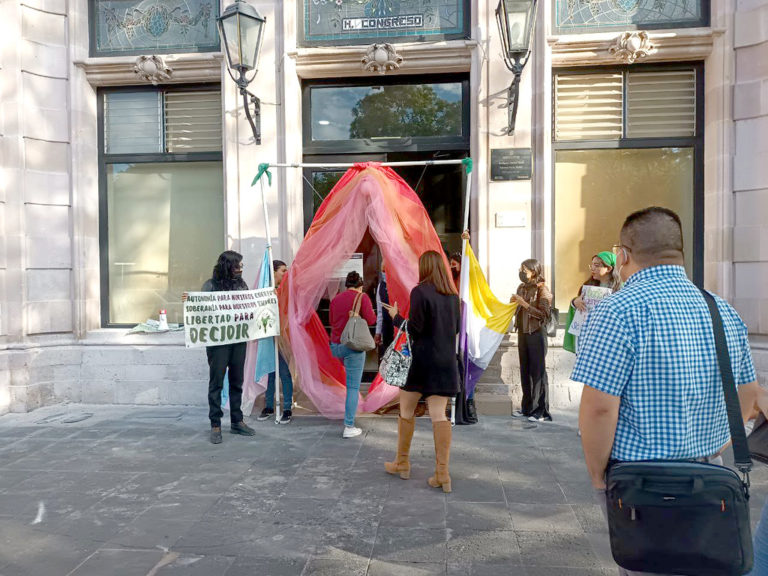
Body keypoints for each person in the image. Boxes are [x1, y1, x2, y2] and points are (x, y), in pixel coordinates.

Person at [574, 207, 760, 576]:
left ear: (623, 255)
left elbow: (598, 409)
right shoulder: (721, 310)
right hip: (709, 475)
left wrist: (597, 476)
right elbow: (748, 394)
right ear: (679, 253)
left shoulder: (616, 310)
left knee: (647, 566)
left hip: (640, 481)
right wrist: (717, 445)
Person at [382, 250, 461, 493]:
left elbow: (414, 329)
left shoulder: (419, 292)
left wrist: (396, 317)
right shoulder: (452, 296)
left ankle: (402, 463)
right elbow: (456, 330)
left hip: (420, 362)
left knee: (406, 411)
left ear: (424, 267)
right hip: (445, 362)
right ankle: (442, 473)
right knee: (439, 415)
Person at [192, 250, 256, 444]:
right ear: (228, 266)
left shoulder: (242, 285)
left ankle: (237, 421)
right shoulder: (210, 286)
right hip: (218, 343)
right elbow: (201, 312)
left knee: (237, 381)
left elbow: (249, 308)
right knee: (217, 383)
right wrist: (192, 303)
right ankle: (215, 424)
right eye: (237, 265)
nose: (240, 269)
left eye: (241, 266)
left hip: (238, 341)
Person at [329, 270, 376, 438]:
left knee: (347, 383)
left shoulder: (336, 299)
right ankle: (349, 426)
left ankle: (346, 417)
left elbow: (331, 321)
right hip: (353, 346)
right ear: (360, 286)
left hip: (336, 346)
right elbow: (371, 320)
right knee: (353, 387)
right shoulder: (362, 298)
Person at [511, 259, 553, 422]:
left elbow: (544, 314)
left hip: (536, 332)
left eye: (524, 270)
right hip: (523, 332)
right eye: (520, 269)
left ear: (534, 271)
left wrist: (525, 304)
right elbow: (518, 308)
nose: (521, 272)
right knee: (525, 370)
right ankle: (527, 407)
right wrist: (513, 304)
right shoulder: (521, 287)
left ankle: (540, 410)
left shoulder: (542, 289)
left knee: (538, 372)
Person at [258, 260, 294, 424]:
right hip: (268, 336)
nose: (285, 274)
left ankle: (287, 407)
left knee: (284, 372)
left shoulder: (286, 290)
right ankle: (269, 406)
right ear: (273, 272)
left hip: (282, 336)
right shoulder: (265, 290)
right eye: (282, 271)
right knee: (271, 372)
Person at [374, 261, 395, 356]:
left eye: (386, 271)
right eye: (383, 271)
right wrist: (378, 332)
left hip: (399, 327)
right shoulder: (380, 286)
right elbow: (380, 312)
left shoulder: (398, 284)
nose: (384, 273)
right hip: (387, 328)